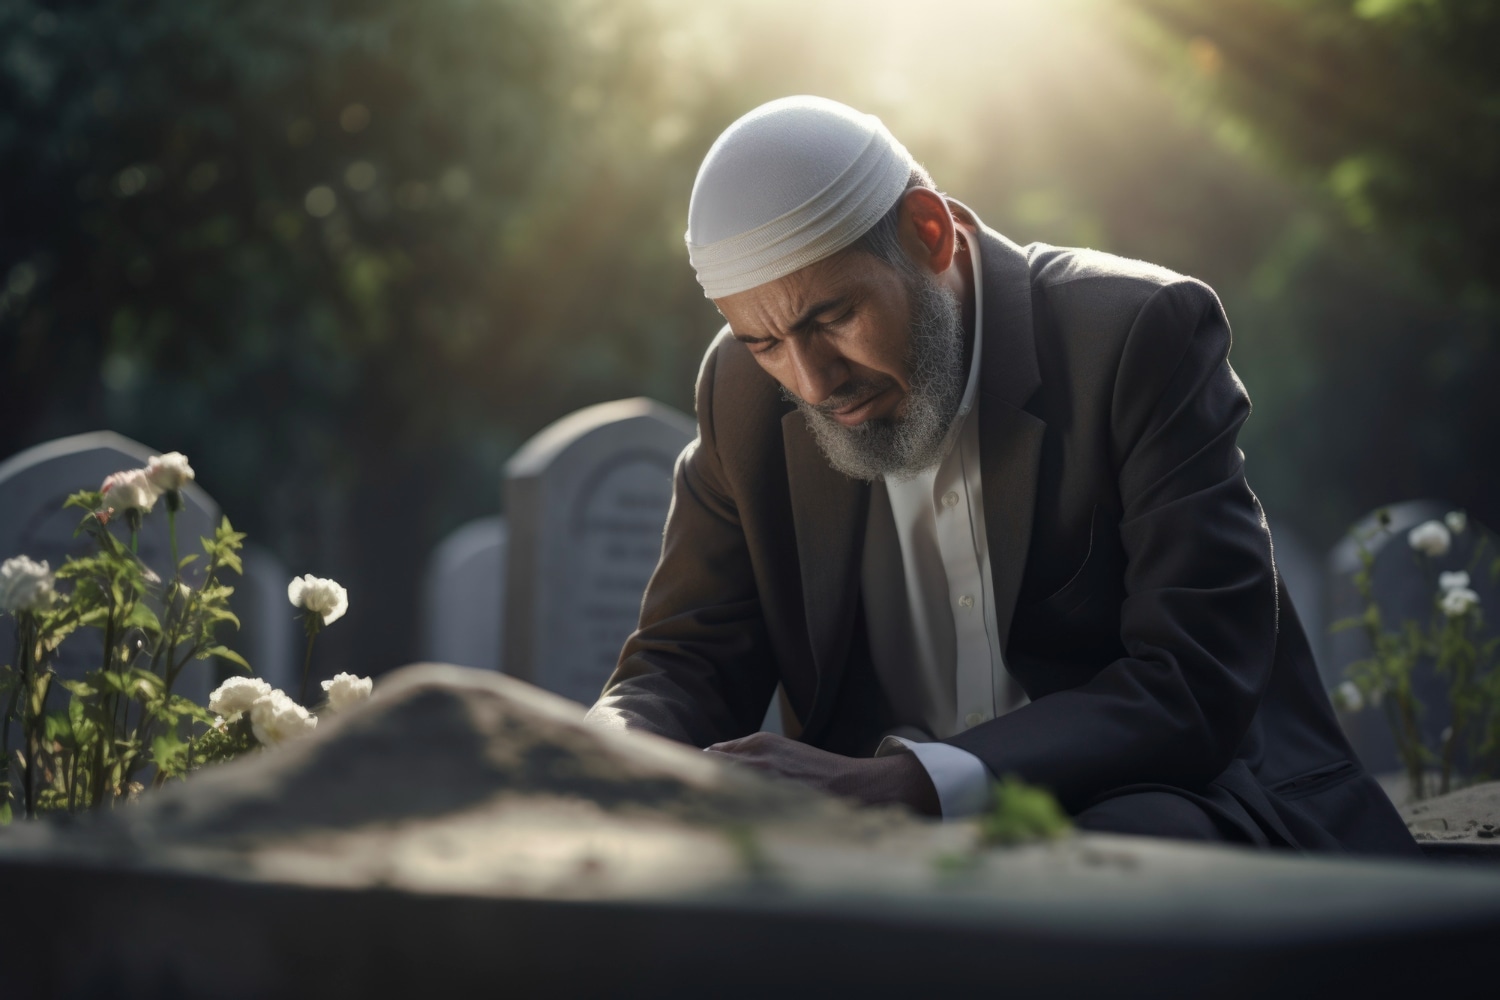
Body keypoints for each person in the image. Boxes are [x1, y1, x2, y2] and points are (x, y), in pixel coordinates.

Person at [585, 96, 1416, 853]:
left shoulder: (1137, 336)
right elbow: (681, 664)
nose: (811, 382)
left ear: (930, 233)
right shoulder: (737, 392)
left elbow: (1193, 682)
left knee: (1108, 859)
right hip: (879, 850)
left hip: (1178, 805)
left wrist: (911, 784)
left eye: (832, 317)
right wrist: (600, 760)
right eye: (764, 342)